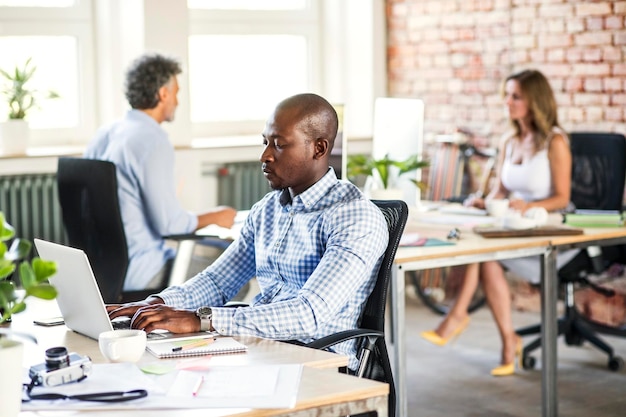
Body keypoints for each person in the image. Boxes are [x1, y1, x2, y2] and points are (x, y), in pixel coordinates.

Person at [107, 93, 389, 370]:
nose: (264, 156)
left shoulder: (355, 218)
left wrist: (202, 319)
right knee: (150, 366)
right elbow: (217, 282)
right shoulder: (267, 210)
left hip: (318, 360)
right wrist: (155, 305)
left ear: (319, 148)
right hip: (262, 347)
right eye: (265, 142)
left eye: (279, 145)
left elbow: (309, 314)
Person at [421, 69, 574, 376]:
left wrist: (528, 205)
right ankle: (508, 340)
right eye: (506, 95)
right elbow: (502, 189)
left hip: (549, 227)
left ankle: (458, 316)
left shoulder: (554, 142)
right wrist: (485, 199)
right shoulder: (510, 140)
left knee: (486, 254)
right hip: (514, 226)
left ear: (535, 100)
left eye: (515, 96)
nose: (507, 102)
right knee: (486, 257)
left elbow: (561, 197)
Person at [84, 53, 237, 291]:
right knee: (237, 270)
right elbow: (170, 225)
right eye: (176, 92)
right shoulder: (152, 139)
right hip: (144, 271)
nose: (177, 100)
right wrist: (217, 216)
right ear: (163, 94)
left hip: (103, 270)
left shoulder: (106, 133)